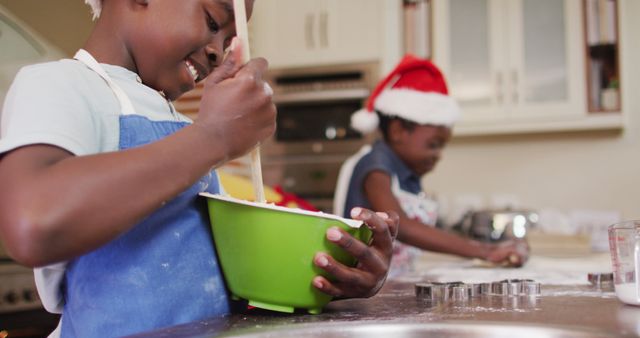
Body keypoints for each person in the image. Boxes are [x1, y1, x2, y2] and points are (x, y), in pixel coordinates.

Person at [0, 1, 398, 337]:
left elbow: (218, 288)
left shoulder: (184, 129)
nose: (218, 53)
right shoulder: (60, 85)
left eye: (227, 42)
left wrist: (330, 280)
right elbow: (33, 222)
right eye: (212, 21)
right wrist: (212, 138)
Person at [334, 54, 528, 277]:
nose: (438, 155)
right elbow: (402, 227)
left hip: (390, 285)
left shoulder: (406, 174)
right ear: (398, 131)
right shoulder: (375, 165)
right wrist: (484, 250)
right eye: (433, 145)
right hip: (363, 287)